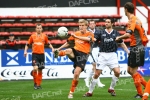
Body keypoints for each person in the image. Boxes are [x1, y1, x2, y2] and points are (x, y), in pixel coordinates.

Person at [83, 18, 130, 97]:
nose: (106, 23)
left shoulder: (116, 33)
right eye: (105, 22)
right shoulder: (101, 32)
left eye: (108, 22)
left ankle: (111, 88)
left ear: (112, 24)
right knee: (97, 73)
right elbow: (94, 39)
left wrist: (128, 52)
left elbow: (121, 43)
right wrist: (91, 39)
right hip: (102, 55)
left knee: (117, 72)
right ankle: (90, 92)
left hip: (112, 55)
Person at [53, 19, 94, 99]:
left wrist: (76, 36)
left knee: (76, 73)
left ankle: (71, 92)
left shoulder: (90, 33)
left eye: (83, 25)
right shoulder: (76, 33)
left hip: (83, 55)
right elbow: (68, 43)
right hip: (75, 51)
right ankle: (58, 53)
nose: (81, 27)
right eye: (80, 25)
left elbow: (89, 39)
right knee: (68, 50)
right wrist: (58, 48)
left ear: (86, 26)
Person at [115, 2, 148, 98]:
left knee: (133, 71)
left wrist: (119, 37)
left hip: (137, 48)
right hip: (135, 47)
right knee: (129, 70)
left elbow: (128, 34)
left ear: (126, 9)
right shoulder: (135, 19)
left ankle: (141, 93)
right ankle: (147, 88)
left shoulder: (132, 20)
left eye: (124, 9)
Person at [24, 23, 54, 90]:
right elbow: (27, 44)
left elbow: (48, 43)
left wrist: (52, 48)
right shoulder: (32, 36)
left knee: (40, 70)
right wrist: (25, 51)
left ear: (42, 29)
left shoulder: (44, 36)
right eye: (38, 28)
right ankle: (35, 83)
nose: (39, 29)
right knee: (35, 68)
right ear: (35, 29)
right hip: (35, 55)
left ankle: (38, 85)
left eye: (40, 28)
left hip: (42, 55)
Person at [84, 19, 105, 88]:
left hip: (97, 49)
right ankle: (98, 82)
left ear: (95, 24)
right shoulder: (86, 32)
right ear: (89, 25)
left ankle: (87, 79)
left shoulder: (98, 31)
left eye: (93, 23)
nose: (92, 25)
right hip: (90, 49)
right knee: (95, 65)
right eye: (90, 24)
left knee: (95, 66)